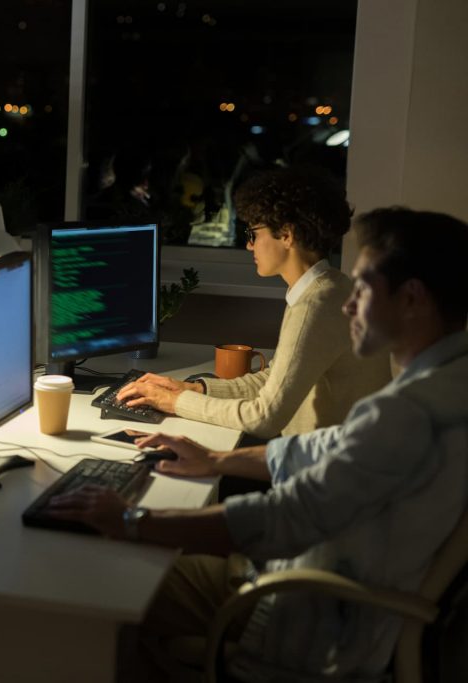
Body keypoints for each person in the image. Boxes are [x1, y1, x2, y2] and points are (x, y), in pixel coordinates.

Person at [48, 208, 468, 681]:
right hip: (340, 584)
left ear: (412, 299)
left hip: (309, 608)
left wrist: (130, 519)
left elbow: (280, 519)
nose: (350, 305)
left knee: (109, 575)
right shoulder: (449, 383)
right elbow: (326, 447)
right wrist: (215, 459)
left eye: (364, 288)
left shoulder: (405, 414)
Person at [117, 167, 391, 438]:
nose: (249, 246)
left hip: (321, 472)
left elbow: (264, 418)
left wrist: (173, 403)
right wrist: (193, 389)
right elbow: (273, 380)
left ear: (286, 234)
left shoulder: (315, 305)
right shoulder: (333, 287)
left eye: (253, 234)